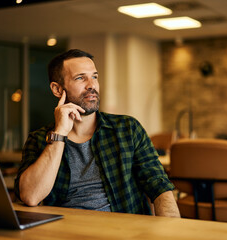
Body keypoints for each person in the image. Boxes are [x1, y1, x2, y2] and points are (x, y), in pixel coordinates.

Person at [14, 49, 180, 217]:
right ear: (57, 89)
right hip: (65, 230)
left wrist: (172, 231)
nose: (91, 85)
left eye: (94, 76)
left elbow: (160, 187)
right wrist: (60, 134)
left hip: (123, 230)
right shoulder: (40, 139)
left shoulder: (128, 129)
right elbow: (30, 196)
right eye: (80, 78)